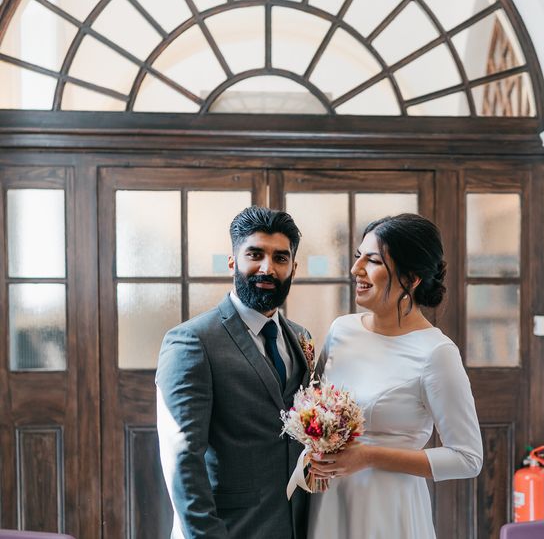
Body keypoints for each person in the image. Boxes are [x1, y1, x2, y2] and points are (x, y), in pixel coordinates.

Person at [307, 213, 483, 539]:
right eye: (358, 256)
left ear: (411, 278)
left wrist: (369, 456)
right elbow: (315, 407)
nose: (356, 269)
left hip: (389, 508)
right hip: (330, 502)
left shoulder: (436, 352)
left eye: (372, 260)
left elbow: (467, 458)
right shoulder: (341, 330)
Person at [156, 206, 312, 539]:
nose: (267, 268)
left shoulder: (302, 338)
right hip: (228, 528)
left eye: (280, 258)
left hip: (294, 525)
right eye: (255, 254)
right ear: (232, 262)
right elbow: (182, 459)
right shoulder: (192, 341)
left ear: (293, 268)